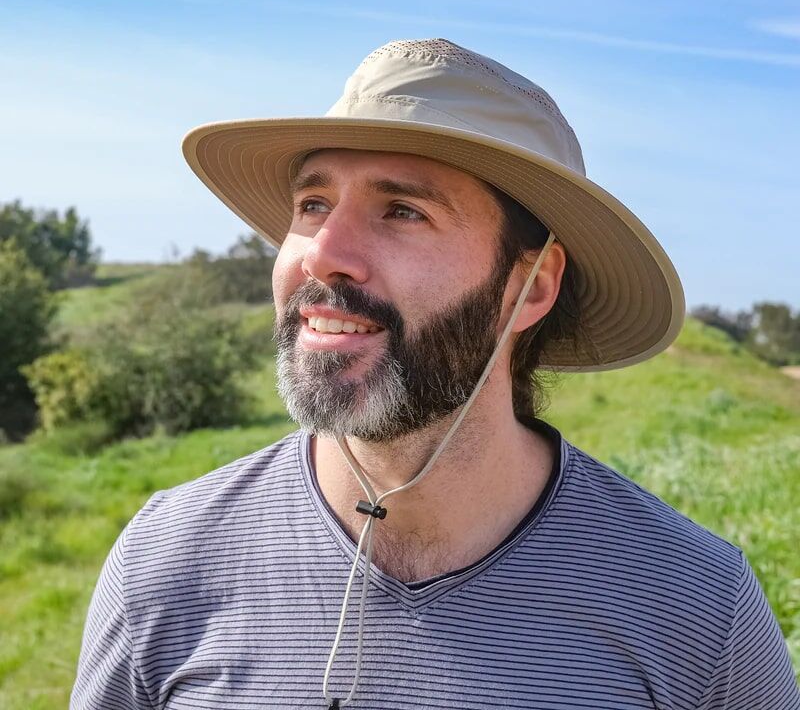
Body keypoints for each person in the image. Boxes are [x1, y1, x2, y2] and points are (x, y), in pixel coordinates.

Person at [71, 38, 800, 709]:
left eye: (402, 210)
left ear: (531, 287)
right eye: (313, 203)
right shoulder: (165, 564)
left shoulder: (696, 609)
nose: (323, 253)